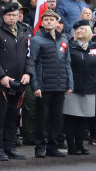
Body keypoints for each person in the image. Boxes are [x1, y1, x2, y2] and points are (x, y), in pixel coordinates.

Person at [0, 3, 32, 161]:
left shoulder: (25, 30)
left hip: (20, 81)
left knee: (13, 116)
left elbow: (30, 55)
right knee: (0, 116)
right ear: (4, 16)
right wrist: (2, 77)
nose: (12, 18)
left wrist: (28, 73)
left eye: (15, 15)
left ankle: (10, 147)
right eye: (9, 15)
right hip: (2, 82)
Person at [29, 9, 73, 158]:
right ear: (42, 22)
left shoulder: (63, 40)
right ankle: (40, 146)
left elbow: (67, 63)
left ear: (57, 23)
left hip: (59, 84)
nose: (49, 21)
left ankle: (53, 146)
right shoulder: (36, 40)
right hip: (44, 85)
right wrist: (35, 86)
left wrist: (70, 83)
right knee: (42, 118)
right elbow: (32, 63)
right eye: (46, 19)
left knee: (57, 118)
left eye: (51, 19)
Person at [64, 19, 96, 155]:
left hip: (90, 87)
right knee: (71, 118)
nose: (79, 31)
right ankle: (71, 146)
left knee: (83, 118)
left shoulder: (95, 48)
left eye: (82, 29)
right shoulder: (70, 46)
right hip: (73, 88)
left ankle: (80, 145)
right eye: (77, 29)